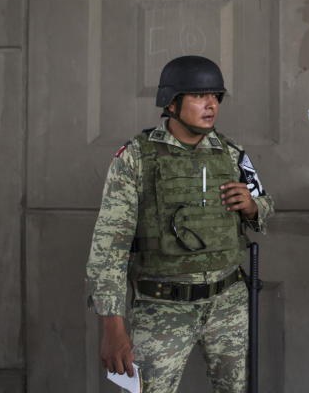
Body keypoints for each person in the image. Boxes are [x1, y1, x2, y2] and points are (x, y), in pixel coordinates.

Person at [86, 55, 275, 393]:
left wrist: (251, 206)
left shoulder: (231, 153)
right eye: (200, 96)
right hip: (162, 307)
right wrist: (113, 325)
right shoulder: (136, 157)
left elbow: (265, 207)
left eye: (216, 97)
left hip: (227, 305)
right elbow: (109, 246)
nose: (211, 105)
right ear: (172, 102)